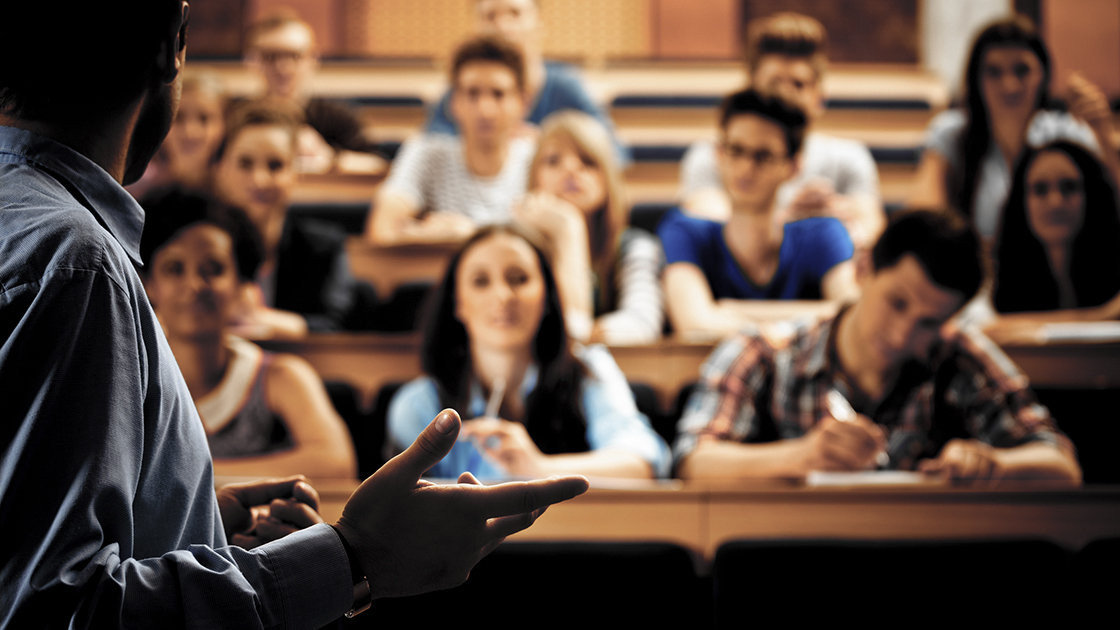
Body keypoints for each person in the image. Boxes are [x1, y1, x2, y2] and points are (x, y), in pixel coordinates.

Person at [0, 2, 587, 627]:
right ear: (173, 43)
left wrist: (192, 520)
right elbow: (54, 610)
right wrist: (355, 558)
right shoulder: (74, 262)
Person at [674, 209, 1081, 483]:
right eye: (897, 302)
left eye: (930, 322)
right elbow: (695, 461)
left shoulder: (960, 357)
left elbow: (1061, 464)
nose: (903, 335)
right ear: (864, 268)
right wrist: (801, 457)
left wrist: (994, 464)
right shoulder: (764, 352)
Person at [389, 225, 671, 480]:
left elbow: (641, 465)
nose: (503, 295)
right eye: (480, 281)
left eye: (519, 278)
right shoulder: (419, 404)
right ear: (458, 303)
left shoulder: (589, 370)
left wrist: (538, 467)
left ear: (547, 296)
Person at [139, 188, 358, 479]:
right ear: (149, 285)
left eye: (213, 269)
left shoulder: (279, 375)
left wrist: (195, 476)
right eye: (174, 269)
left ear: (242, 283)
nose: (194, 285)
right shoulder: (133, 381)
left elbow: (336, 463)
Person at [659, 88, 860, 339]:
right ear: (718, 154)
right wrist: (811, 317)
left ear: (794, 166)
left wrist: (732, 311)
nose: (746, 167)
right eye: (736, 150)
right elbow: (694, 325)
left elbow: (851, 316)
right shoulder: (684, 231)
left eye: (763, 156)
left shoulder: (824, 234)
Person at [678, 11, 883, 248]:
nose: (785, 95)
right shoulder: (713, 156)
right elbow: (711, 234)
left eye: (798, 84)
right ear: (751, 90)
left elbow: (870, 234)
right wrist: (795, 223)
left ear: (820, 97)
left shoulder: (849, 158)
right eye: (774, 83)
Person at [909, 14, 1118, 240]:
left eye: (1022, 70)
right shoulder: (952, 132)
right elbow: (922, 216)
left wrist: (1103, 133)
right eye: (994, 72)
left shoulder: (1065, 133)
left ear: (1043, 74)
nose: (1009, 85)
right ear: (976, 79)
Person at [212, 98, 381, 337]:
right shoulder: (198, 246)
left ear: (295, 173)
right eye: (245, 164)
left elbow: (334, 328)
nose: (260, 179)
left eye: (275, 165)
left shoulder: (324, 247)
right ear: (220, 169)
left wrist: (261, 319)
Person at [366, 34, 535, 246]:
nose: (485, 110)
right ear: (454, 101)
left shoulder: (537, 160)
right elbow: (381, 231)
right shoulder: (426, 153)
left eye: (498, 94)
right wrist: (427, 233)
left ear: (523, 102)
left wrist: (469, 236)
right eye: (472, 94)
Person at [515, 110, 664, 344]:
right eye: (553, 161)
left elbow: (642, 324)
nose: (571, 169)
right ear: (533, 177)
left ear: (608, 178)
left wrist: (587, 333)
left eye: (588, 161)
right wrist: (568, 228)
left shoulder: (635, 246)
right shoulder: (515, 248)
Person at [425, 0, 628, 164]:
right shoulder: (457, 93)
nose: (502, 26)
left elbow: (614, 153)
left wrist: (547, 147)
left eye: (515, 13)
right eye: (490, 16)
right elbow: (428, 149)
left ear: (538, 22)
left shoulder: (567, 88)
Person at [978, 140, 1120, 343]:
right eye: (1040, 189)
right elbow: (987, 329)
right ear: (1021, 202)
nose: (1055, 202)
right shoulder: (997, 271)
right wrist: (1104, 316)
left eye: (1069, 187)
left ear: (1093, 195)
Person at [245, 9, 385, 173]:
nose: (284, 66)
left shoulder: (338, 115)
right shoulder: (239, 117)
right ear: (253, 61)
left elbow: (376, 164)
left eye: (294, 56)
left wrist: (329, 157)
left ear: (312, 60)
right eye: (272, 56)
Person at [128, 71, 227, 199]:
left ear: (224, 124)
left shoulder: (234, 190)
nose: (190, 132)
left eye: (204, 119)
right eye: (178, 118)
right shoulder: (135, 191)